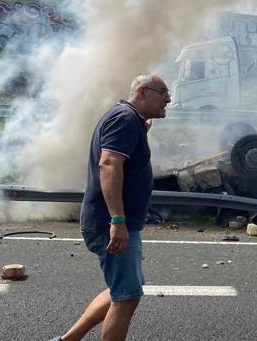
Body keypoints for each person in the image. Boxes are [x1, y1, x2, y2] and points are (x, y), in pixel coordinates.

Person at [51, 74, 171, 341]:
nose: (169, 98)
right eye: (163, 92)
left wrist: (142, 126)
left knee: (123, 288)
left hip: (115, 222)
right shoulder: (125, 119)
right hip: (111, 223)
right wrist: (117, 221)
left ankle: (67, 340)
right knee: (127, 296)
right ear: (142, 91)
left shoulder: (129, 119)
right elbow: (109, 164)